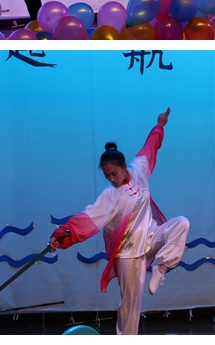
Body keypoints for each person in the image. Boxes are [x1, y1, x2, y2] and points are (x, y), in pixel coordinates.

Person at [49, 108, 189, 335]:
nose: (111, 179)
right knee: (131, 305)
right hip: (128, 253)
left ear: (124, 167)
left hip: (151, 237)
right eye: (107, 176)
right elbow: (86, 219)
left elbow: (150, 147)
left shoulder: (138, 170)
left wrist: (160, 125)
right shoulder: (110, 195)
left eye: (114, 173)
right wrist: (61, 235)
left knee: (181, 223)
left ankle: (161, 268)